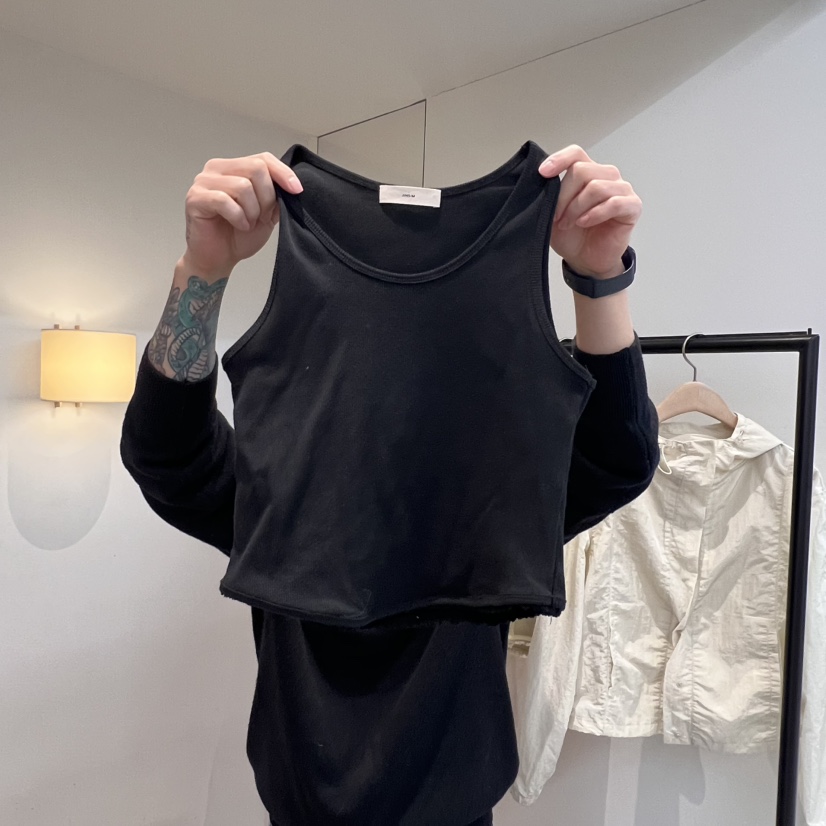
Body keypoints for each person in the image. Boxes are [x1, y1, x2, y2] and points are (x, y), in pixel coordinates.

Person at [120, 143, 660, 825]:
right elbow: (169, 455)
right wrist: (202, 269)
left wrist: (600, 276)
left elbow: (617, 458)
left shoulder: (493, 487)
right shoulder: (284, 490)